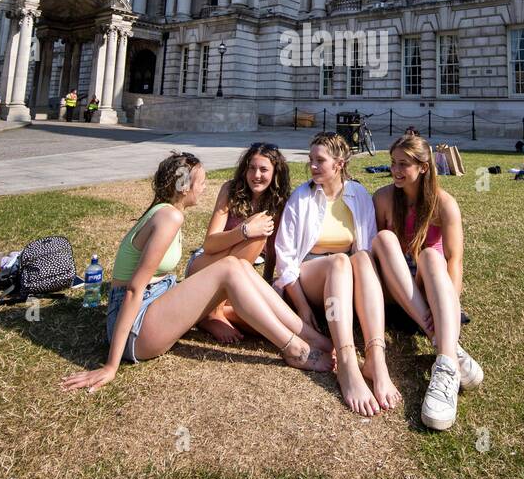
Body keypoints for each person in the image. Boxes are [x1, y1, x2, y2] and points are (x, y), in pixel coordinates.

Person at [60, 153, 332, 394]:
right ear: (183, 185)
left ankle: (311, 336)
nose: (203, 187)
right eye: (200, 181)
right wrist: (111, 365)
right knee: (229, 268)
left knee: (238, 266)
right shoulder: (169, 217)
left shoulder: (167, 212)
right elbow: (133, 289)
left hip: (154, 304)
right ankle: (293, 348)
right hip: (136, 330)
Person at [273, 132, 398, 416]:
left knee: (363, 258)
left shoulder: (358, 194)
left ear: (339, 164)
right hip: (311, 277)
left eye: (320, 161)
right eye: (311, 160)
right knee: (340, 261)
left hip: (346, 280)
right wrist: (303, 309)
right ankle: (346, 363)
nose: (312, 166)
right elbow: (286, 259)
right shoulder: (301, 197)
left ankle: (376, 358)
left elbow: (365, 247)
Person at [371, 134, 484, 431]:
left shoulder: (444, 204)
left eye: (403, 164)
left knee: (432, 258)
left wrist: (451, 307)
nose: (395, 170)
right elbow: (375, 255)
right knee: (383, 238)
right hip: (391, 289)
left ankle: (445, 362)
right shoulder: (382, 198)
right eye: (393, 163)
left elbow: (454, 262)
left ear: (423, 167)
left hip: (425, 286)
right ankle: (441, 339)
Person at [187, 142, 298, 345]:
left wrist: (266, 284)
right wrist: (245, 231)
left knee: (271, 322)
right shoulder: (230, 190)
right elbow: (210, 243)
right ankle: (214, 313)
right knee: (259, 233)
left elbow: (273, 251)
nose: (256, 175)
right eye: (251, 168)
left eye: (264, 169)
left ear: (275, 173)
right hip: (207, 265)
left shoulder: (280, 201)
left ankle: (207, 315)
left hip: (242, 273)